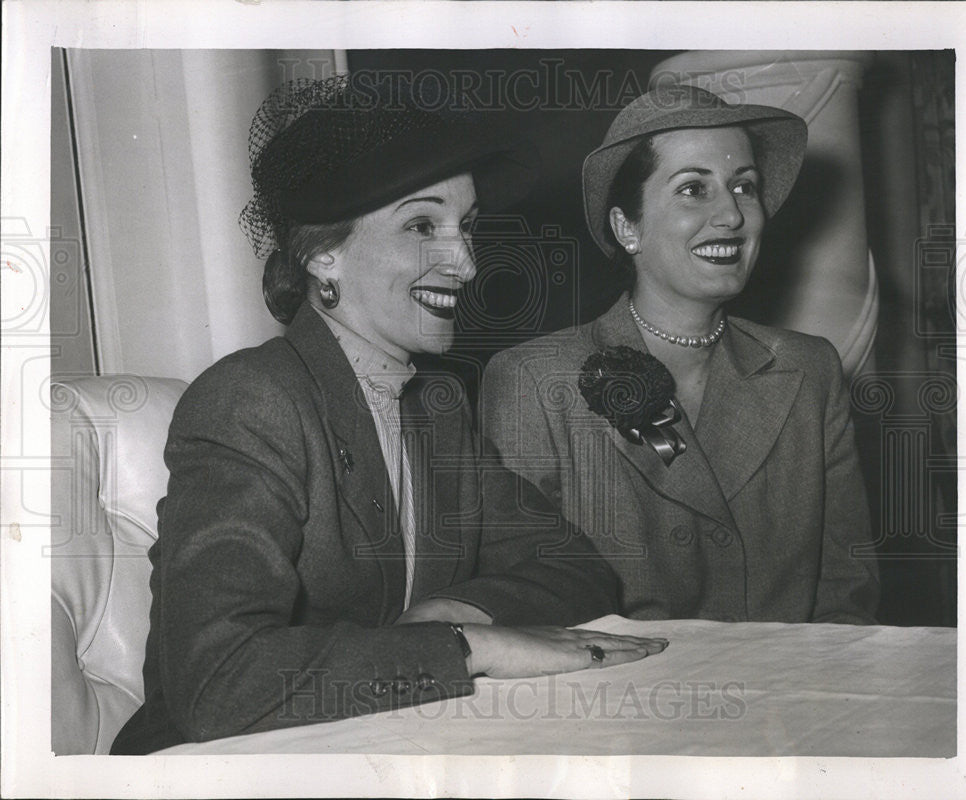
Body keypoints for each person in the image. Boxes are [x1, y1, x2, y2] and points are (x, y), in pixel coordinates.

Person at [111, 76, 667, 754]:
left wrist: (452, 611)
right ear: (323, 252)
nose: (463, 261)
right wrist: (461, 647)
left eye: (466, 226)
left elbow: (579, 568)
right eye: (421, 225)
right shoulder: (253, 400)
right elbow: (218, 683)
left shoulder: (435, 406)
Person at [483, 84, 879, 624]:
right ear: (628, 227)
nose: (732, 216)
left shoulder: (809, 371)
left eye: (744, 187)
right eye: (694, 189)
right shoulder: (534, 381)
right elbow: (525, 604)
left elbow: (847, 599)